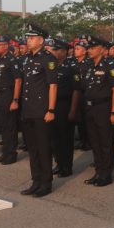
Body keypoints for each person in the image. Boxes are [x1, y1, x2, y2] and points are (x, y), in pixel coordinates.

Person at [19, 25, 59, 197]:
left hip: (42, 111)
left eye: (32, 38)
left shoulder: (48, 58)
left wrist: (51, 109)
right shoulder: (27, 58)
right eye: (27, 38)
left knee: (43, 148)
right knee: (33, 148)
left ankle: (46, 183)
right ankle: (36, 181)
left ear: (41, 40)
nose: (28, 40)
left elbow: (52, 86)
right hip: (28, 110)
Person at [76, 36, 114, 187]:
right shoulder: (89, 65)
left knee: (105, 142)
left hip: (104, 107)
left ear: (102, 49)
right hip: (90, 107)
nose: (89, 50)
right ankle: (98, 171)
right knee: (95, 141)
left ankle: (106, 174)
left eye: (93, 48)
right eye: (88, 48)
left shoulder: (110, 64)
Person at [48, 39, 80, 178]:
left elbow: (76, 91)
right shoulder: (51, 66)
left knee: (65, 139)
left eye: (56, 50)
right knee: (54, 138)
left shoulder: (71, 67)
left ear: (63, 52)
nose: (53, 52)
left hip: (65, 105)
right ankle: (59, 164)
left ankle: (66, 167)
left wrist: (73, 110)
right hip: (53, 106)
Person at [0, 36, 22, 165]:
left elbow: (18, 80)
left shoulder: (12, 60)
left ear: (6, 46)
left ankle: (11, 154)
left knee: (10, 127)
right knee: (3, 127)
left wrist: (15, 100)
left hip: (8, 95)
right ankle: (5, 153)